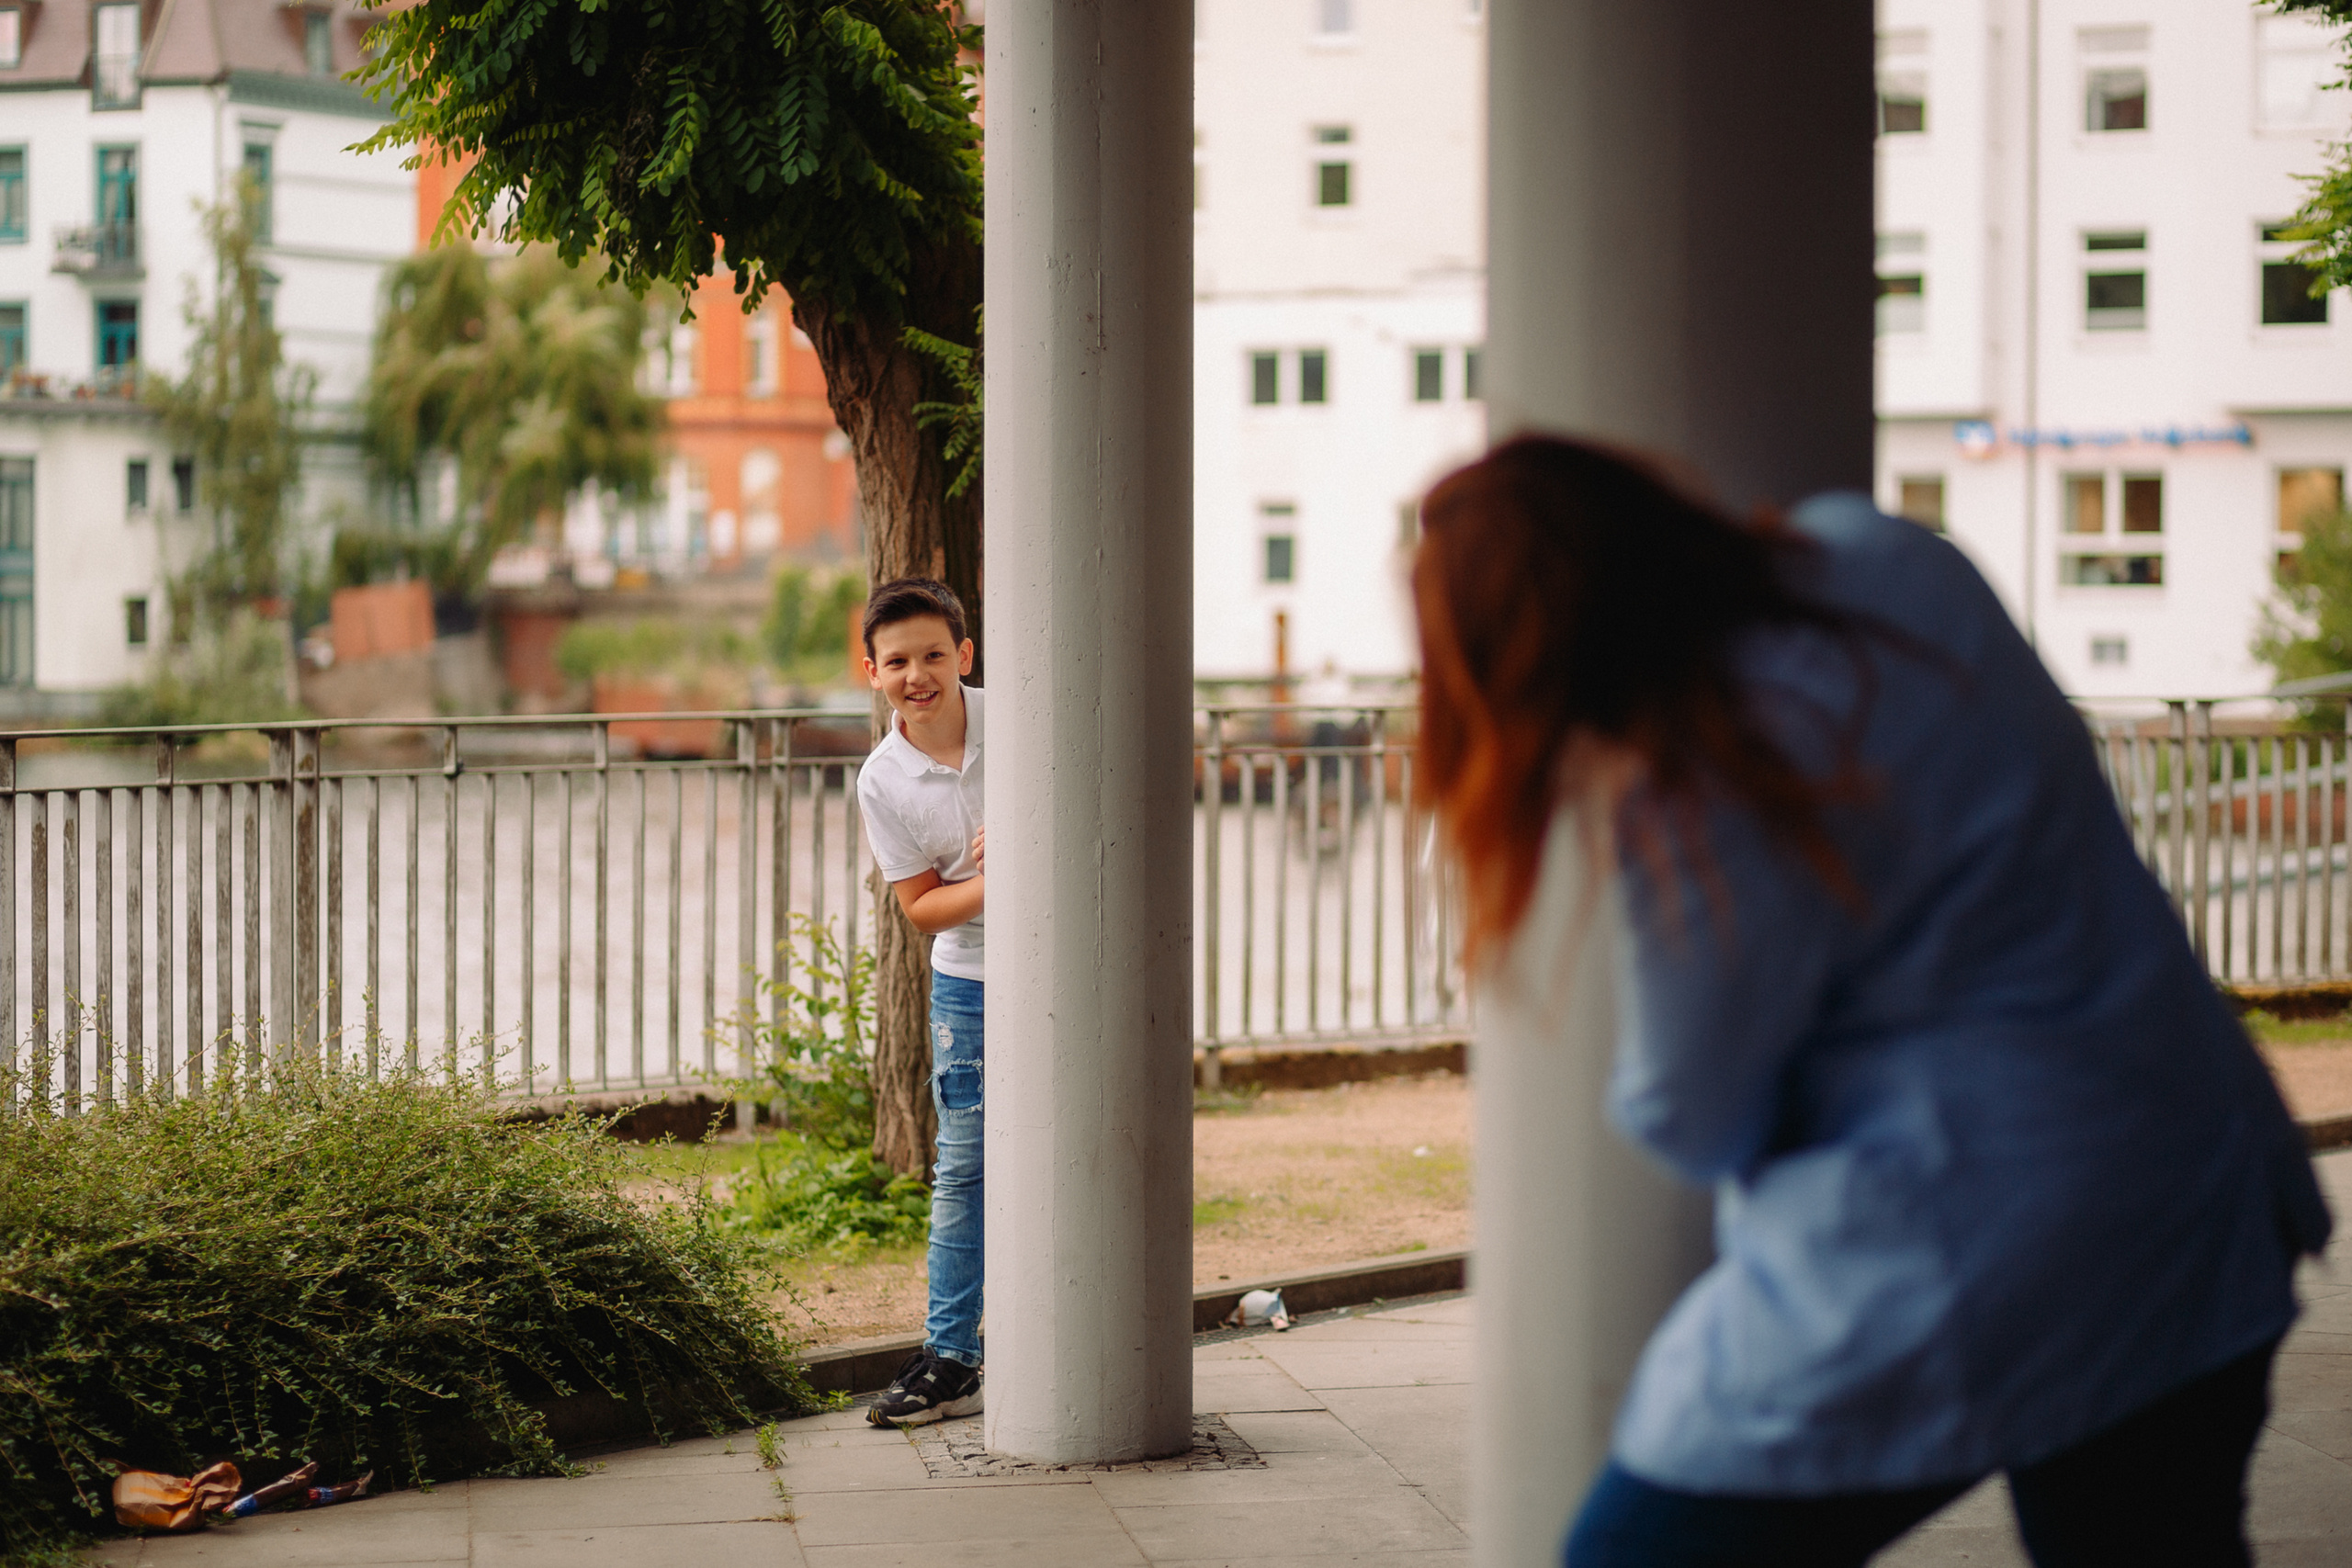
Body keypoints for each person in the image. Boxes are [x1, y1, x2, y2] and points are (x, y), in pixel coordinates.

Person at [1410, 436, 2332, 1568]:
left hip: (1977, 1233)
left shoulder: (1691, 778)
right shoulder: (1893, 559)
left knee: (1630, 1553)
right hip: (2196, 1174)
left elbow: (1690, 1114)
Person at [854, 578, 988, 1427]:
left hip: (1071, 970)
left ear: (964, 656)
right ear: (873, 670)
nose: (918, 674)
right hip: (969, 986)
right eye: (897, 660)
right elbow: (922, 906)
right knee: (965, 1169)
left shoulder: (1026, 717)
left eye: (933, 654)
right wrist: (1001, 878)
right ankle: (951, 1357)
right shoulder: (883, 779)